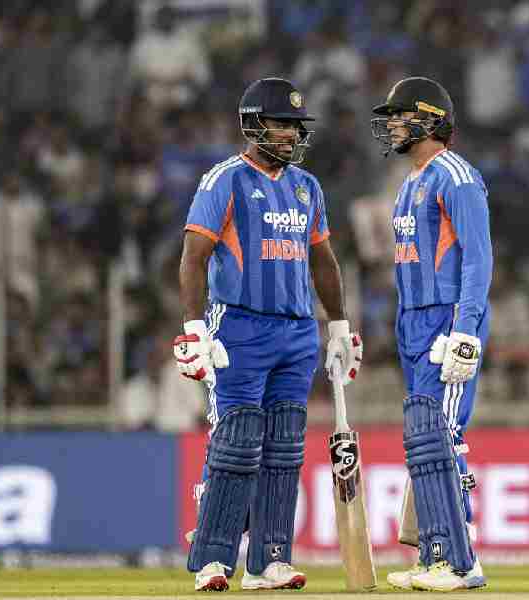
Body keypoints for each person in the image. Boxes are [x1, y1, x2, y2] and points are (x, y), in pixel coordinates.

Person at [174, 77, 362, 592]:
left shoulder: (307, 186)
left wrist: (339, 326)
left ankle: (269, 560)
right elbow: (193, 256)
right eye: (282, 124)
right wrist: (194, 329)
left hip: (297, 331)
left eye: (296, 127)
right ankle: (213, 559)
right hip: (240, 326)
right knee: (236, 443)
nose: (291, 134)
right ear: (254, 124)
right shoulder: (225, 180)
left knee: (284, 448)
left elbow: (323, 260)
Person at [371, 76, 492, 592]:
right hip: (414, 321)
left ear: (427, 119)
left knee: (442, 435)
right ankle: (436, 553)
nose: (392, 125)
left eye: (400, 116)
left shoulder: (456, 177)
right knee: (424, 438)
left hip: (447, 317)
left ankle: (460, 562)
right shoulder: (408, 183)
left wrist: (466, 329)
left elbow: (478, 257)